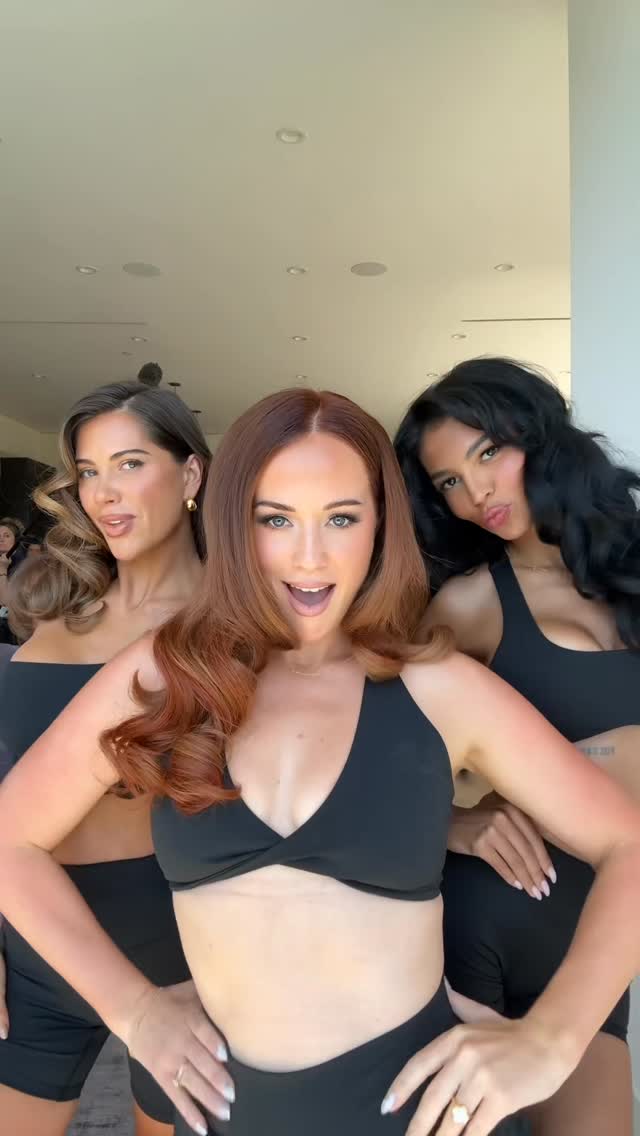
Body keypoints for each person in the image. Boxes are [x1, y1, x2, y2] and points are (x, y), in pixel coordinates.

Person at [0, 387, 638, 1136]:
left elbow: (628, 843)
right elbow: (12, 840)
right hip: (231, 1112)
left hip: (420, 1112)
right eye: (275, 519)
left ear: (381, 525)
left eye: (341, 518)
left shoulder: (438, 685)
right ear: (234, 523)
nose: (310, 557)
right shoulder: (167, 672)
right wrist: (133, 1008)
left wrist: (554, 1038)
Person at [394, 356, 640, 1136]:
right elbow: (379, 767)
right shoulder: (469, 604)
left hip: (596, 943)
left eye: (488, 453)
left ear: (538, 435)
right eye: (449, 482)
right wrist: (454, 823)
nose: (476, 493)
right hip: (478, 927)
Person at [0, 380, 211, 1136]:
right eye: (88, 471)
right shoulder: (54, 608)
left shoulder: (233, 624)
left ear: (190, 474)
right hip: (30, 942)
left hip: (177, 952)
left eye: (129, 464)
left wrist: (451, 821)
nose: (103, 493)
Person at [0, 518, 26, 643]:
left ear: (16, 541)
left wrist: (2, 570)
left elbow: (5, 603)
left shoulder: (22, 565)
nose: (1, 539)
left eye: (7, 536)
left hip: (10, 632)